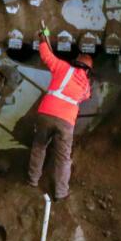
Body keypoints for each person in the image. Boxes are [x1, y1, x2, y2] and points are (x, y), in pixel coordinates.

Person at [27, 29, 92, 200]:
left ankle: (33, 180)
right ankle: (61, 192)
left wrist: (42, 37)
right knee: (63, 158)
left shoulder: (63, 68)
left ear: (75, 62)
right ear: (87, 70)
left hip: (46, 113)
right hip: (66, 122)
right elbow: (86, 97)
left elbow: (46, 55)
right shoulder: (86, 85)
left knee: (39, 147)